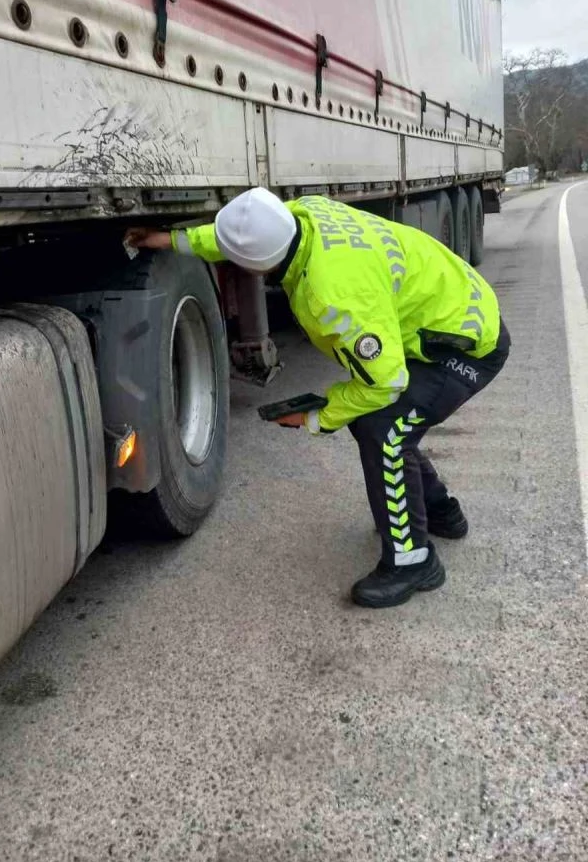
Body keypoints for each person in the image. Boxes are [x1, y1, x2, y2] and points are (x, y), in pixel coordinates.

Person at [125, 187, 510, 609]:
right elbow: (240, 234)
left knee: (384, 428)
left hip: (466, 345)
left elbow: (384, 383)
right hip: (452, 305)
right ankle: (441, 512)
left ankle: (413, 561)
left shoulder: (332, 296)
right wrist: (172, 240)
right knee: (383, 420)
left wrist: (317, 418)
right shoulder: (303, 213)